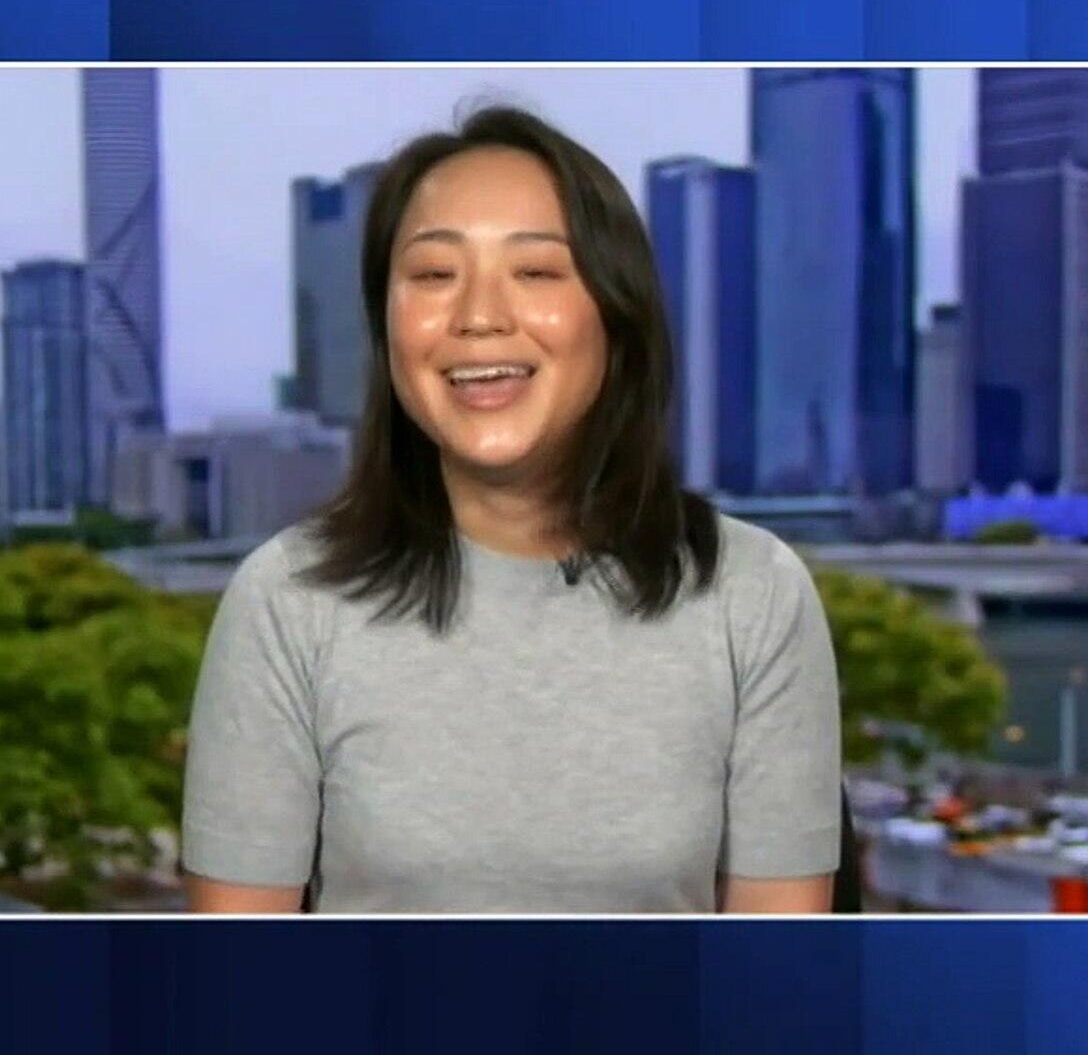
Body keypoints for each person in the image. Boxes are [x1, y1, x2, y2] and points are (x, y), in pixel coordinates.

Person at [181, 106, 841, 913]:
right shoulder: (288, 600)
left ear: (617, 314)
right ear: (386, 326)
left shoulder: (752, 593)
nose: (479, 315)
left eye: (535, 272)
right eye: (433, 275)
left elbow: (777, 969)